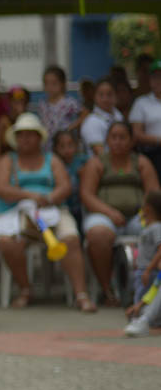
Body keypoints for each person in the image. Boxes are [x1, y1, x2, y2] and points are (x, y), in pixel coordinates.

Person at [0, 113, 93, 311]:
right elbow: (1, 188)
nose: (25, 138)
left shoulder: (51, 159)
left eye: (30, 134)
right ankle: (25, 290)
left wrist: (49, 199)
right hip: (16, 212)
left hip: (52, 210)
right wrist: (30, 196)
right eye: (21, 135)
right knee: (6, 242)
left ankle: (81, 295)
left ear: (39, 138)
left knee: (70, 238)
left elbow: (65, 186)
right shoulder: (7, 161)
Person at [79, 121, 159, 306]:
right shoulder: (97, 163)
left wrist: (144, 213)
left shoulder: (141, 162)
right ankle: (107, 290)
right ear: (107, 140)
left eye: (122, 137)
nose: (117, 142)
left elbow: (153, 194)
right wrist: (109, 212)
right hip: (103, 214)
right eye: (113, 137)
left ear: (131, 141)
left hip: (138, 216)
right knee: (98, 235)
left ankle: (149, 287)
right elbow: (86, 195)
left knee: (156, 232)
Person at [125, 191, 161, 337]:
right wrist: (138, 305)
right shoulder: (147, 228)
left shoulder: (157, 227)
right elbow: (156, 287)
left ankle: (145, 319)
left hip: (148, 271)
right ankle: (143, 316)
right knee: (143, 297)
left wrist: (149, 269)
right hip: (148, 274)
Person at [129, 59, 161, 178]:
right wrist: (159, 140)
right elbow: (137, 134)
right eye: (155, 77)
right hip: (152, 154)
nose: (158, 81)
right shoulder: (141, 102)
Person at [51, 131, 86, 226]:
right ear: (55, 148)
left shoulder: (83, 161)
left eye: (70, 145)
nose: (66, 149)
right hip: (62, 205)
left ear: (76, 146)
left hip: (80, 205)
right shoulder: (53, 163)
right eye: (62, 146)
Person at [80, 79, 122, 155]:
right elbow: (100, 153)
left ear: (116, 96)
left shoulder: (119, 116)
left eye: (109, 94)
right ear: (94, 97)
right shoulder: (91, 122)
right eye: (101, 95)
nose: (105, 99)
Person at [37, 65, 82, 138]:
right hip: (47, 143)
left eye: (54, 83)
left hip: (65, 142)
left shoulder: (70, 103)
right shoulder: (42, 104)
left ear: (63, 84)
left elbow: (83, 116)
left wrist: (71, 127)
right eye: (46, 83)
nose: (50, 87)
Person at [0, 86, 31, 159]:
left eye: (22, 101)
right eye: (15, 101)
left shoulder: (28, 119)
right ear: (10, 102)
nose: (19, 104)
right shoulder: (4, 120)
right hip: (6, 160)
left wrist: (21, 115)